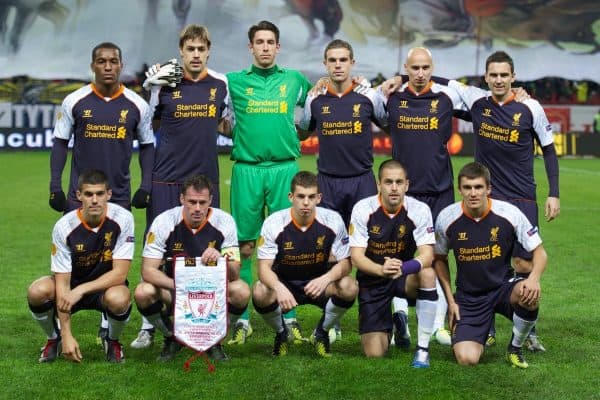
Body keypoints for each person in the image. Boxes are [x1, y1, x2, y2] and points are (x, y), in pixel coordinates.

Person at [446, 51, 559, 350]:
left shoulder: (530, 107)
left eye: (503, 75)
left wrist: (554, 193)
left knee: (524, 261)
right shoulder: (478, 103)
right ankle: (487, 325)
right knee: (488, 260)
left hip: (522, 196)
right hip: (488, 198)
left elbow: (548, 150)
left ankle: (527, 327)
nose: (498, 79)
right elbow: (442, 82)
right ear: (486, 77)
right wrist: (399, 79)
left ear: (513, 77)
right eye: (493, 75)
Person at [130, 24, 230, 350]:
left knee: (205, 250)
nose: (196, 55)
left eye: (201, 49)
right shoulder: (166, 80)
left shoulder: (220, 84)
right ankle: (149, 325)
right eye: (190, 49)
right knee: (158, 251)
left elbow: (228, 124)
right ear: (182, 51)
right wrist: (150, 84)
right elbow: (150, 124)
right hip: (166, 178)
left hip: (204, 181)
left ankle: (205, 319)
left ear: (209, 50)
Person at [225, 20, 313, 344]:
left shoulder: (295, 80)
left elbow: (313, 110)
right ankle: (242, 318)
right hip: (247, 169)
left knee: (285, 247)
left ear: (278, 47)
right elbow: (220, 118)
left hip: (284, 169)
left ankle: (289, 317)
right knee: (245, 246)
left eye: (270, 42)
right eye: (259, 42)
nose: (264, 47)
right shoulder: (233, 82)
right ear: (250, 47)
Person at [383, 47, 466, 348]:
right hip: (405, 192)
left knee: (440, 256)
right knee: (401, 253)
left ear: (433, 68)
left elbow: (484, 97)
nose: (419, 73)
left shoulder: (448, 96)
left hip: (439, 189)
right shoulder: (390, 96)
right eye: (413, 68)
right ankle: (400, 317)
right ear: (406, 67)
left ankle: (438, 326)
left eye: (425, 68)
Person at [434, 162, 547, 368]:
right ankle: (477, 331)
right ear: (460, 190)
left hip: (503, 288)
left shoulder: (509, 213)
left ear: (488, 189)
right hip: (469, 297)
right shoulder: (446, 218)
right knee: (467, 359)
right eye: (467, 188)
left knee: (528, 293)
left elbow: (540, 253)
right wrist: (451, 301)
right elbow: (439, 259)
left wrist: (533, 279)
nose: (473, 193)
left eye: (478, 187)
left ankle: (515, 347)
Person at [133, 174, 250, 362]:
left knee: (242, 291)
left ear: (210, 200)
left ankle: (215, 340)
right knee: (143, 292)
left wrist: (221, 259)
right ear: (181, 199)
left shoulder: (224, 221)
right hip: (176, 290)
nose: (197, 208)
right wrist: (180, 286)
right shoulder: (164, 221)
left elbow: (235, 275)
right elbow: (147, 270)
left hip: (212, 293)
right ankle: (172, 337)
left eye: (202, 202)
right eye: (192, 202)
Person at [28, 169, 133, 364]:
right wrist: (67, 334)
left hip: (105, 287)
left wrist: (82, 290)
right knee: (37, 291)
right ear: (79, 196)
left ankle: (112, 341)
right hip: (71, 285)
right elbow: (62, 282)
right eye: (88, 194)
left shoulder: (123, 219)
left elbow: (120, 274)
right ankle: (54, 338)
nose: (94, 200)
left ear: (109, 194)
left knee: (120, 298)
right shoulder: (64, 226)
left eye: (100, 194)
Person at [253, 171, 357, 357]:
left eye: (311, 197)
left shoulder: (332, 220)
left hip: (319, 284)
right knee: (260, 291)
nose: (306, 203)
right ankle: (281, 333)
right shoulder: (274, 223)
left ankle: (322, 332)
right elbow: (262, 268)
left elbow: (347, 263)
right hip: (286, 284)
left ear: (319, 198)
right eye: (301, 196)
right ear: (291, 197)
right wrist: (278, 286)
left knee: (349, 286)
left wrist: (327, 278)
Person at [349, 160, 438, 367]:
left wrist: (403, 268)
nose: (394, 188)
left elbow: (427, 255)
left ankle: (423, 350)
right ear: (379, 185)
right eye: (388, 182)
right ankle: (398, 321)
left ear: (407, 184)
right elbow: (356, 257)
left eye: (399, 182)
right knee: (375, 354)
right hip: (372, 281)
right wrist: (381, 269)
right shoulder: (363, 209)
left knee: (427, 274)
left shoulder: (419, 209)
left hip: (402, 277)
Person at [49, 41, 154, 213]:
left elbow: (147, 146)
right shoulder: (74, 101)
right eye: (101, 61)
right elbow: (60, 143)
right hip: (80, 197)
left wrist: (146, 187)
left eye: (113, 62)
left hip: (119, 198)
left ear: (121, 66)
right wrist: (55, 188)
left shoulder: (138, 105)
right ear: (92, 66)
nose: (108, 67)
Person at [299, 39, 387, 227]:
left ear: (352, 63)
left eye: (343, 60)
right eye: (332, 60)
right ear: (325, 64)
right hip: (327, 183)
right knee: (329, 248)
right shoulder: (314, 98)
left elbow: (389, 126)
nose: (338, 65)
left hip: (362, 181)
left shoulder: (369, 96)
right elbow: (303, 132)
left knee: (365, 244)